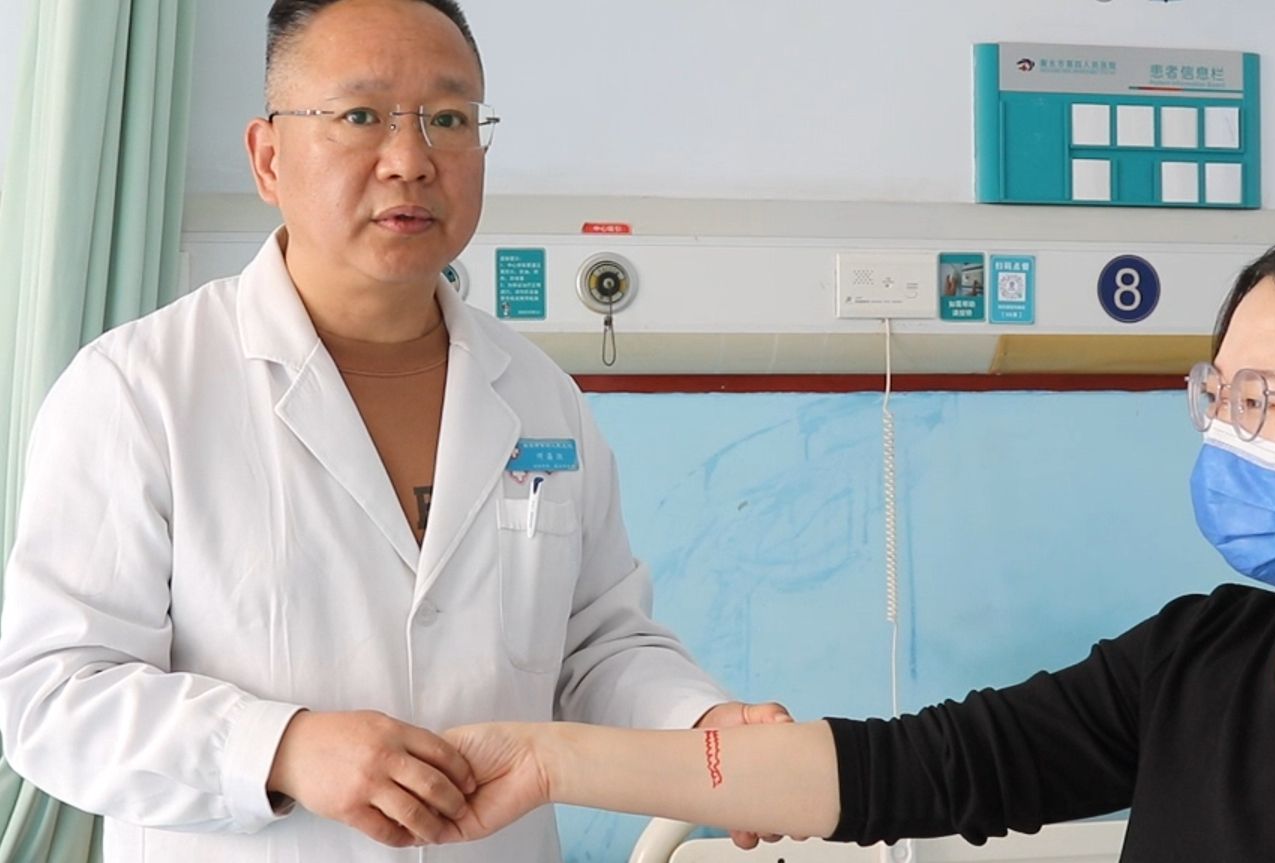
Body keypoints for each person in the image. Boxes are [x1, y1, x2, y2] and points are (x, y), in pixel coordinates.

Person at [0, 1, 787, 860]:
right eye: (360, 116)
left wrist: (704, 728)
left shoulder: (540, 397)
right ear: (268, 158)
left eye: (448, 119)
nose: (410, 159)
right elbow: (53, 697)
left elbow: (597, 646)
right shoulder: (138, 391)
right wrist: (282, 747)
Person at [441, 220, 1275, 861]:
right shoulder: (1199, 655)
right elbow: (911, 767)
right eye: (1216, 394)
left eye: (1262, 401)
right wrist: (546, 760)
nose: (1223, 435)